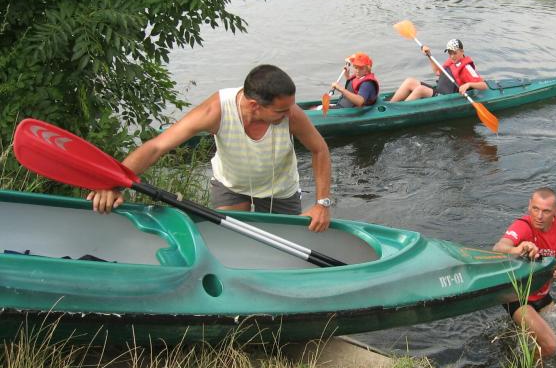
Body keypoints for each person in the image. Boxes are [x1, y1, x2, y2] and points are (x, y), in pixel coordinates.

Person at [88, 65, 333, 232]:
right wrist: (113, 185)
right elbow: (156, 146)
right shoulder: (217, 110)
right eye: (281, 110)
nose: (290, 113)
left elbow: (320, 150)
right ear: (254, 105)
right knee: (230, 240)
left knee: (284, 246)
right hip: (232, 187)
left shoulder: (292, 115)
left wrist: (322, 203)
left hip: (280, 190)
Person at [493, 187, 556, 358]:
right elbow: (498, 248)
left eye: (546, 211)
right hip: (516, 295)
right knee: (550, 345)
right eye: (535, 209)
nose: (539, 216)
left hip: (541, 293)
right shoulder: (523, 225)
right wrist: (517, 249)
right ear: (529, 205)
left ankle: (523, 354)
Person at [389, 38, 488, 102]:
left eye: (455, 53)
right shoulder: (451, 61)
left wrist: (468, 84)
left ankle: (400, 109)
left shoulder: (467, 68)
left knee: (420, 89)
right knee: (410, 81)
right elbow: (437, 72)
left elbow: (484, 85)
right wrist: (429, 56)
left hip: (447, 98)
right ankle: (391, 105)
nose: (452, 56)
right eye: (450, 53)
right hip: (439, 91)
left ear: (462, 51)